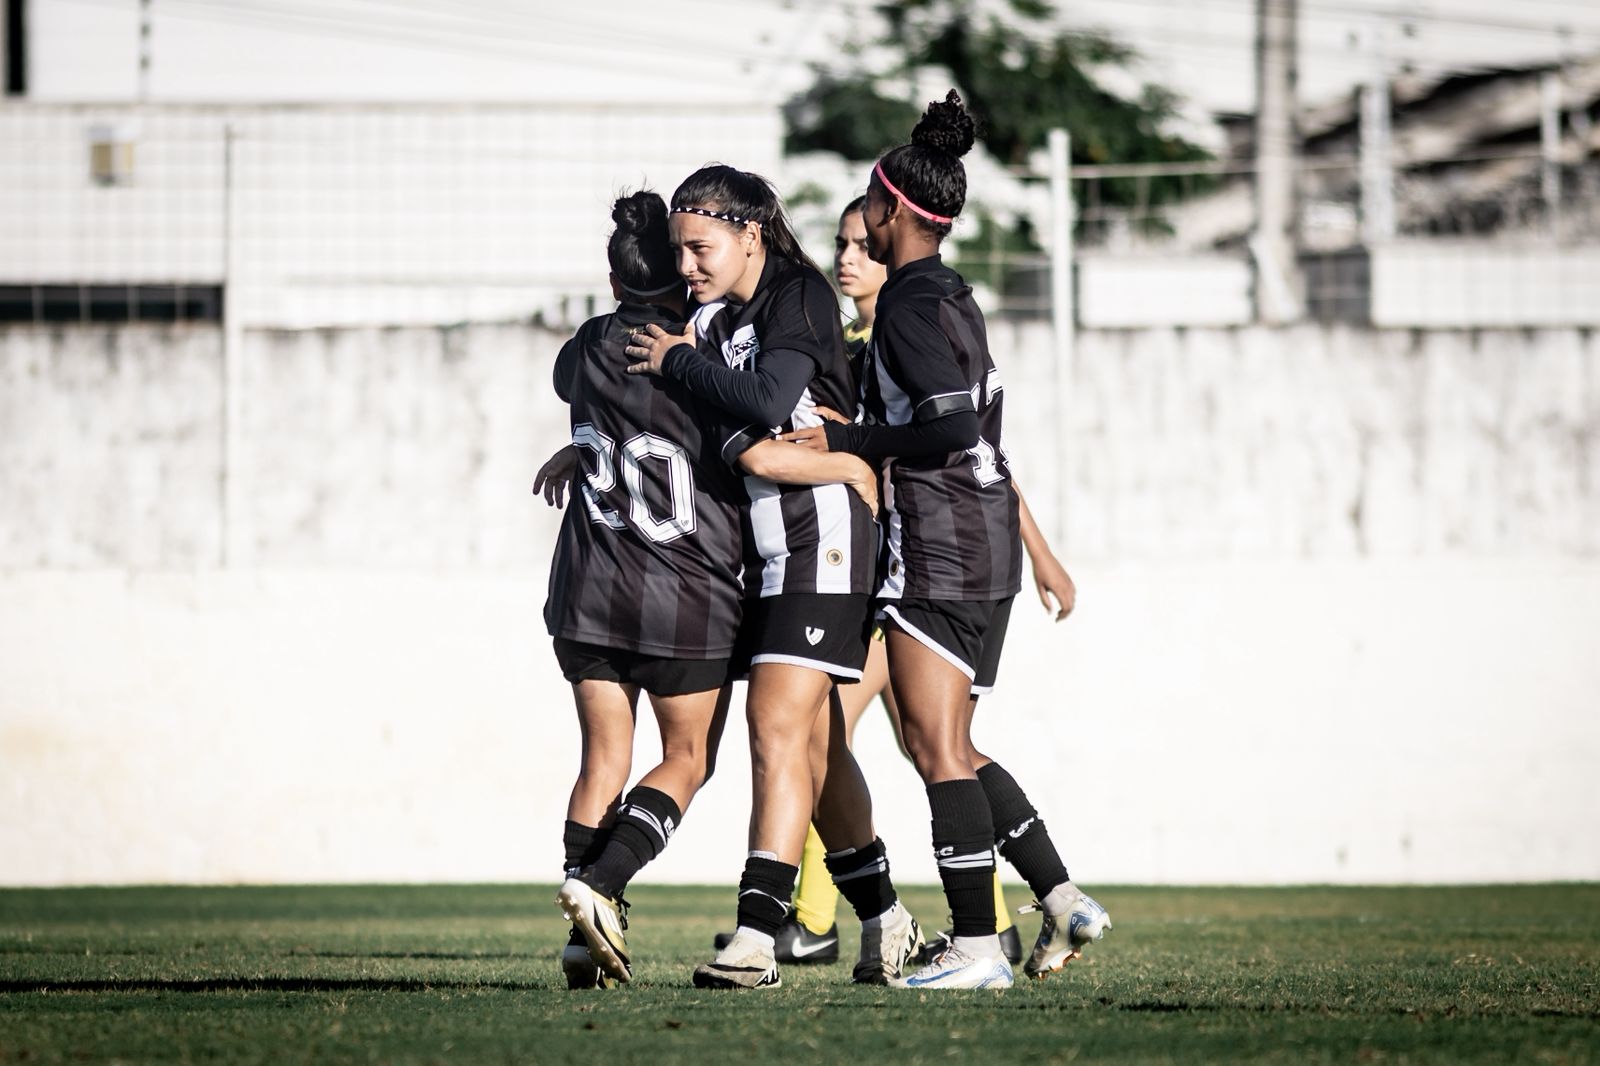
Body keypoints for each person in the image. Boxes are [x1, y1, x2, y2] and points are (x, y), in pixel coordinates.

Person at [783, 92, 1111, 990]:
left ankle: (974, 947)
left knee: (933, 748)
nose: (858, 232)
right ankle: (1055, 896)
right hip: (976, 547)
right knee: (951, 745)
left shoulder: (910, 309)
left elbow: (953, 428)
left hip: (944, 548)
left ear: (891, 209)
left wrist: (849, 440)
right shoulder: (948, 294)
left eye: (866, 210)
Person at [720, 196, 1081, 968]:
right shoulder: (881, 331)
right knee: (917, 744)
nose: (849, 258)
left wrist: (1042, 550)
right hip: (924, 562)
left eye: (863, 242)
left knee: (861, 739)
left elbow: (955, 443)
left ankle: (850, 921)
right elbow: (978, 450)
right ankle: (1049, 898)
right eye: (841, 245)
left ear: (894, 242)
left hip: (902, 564)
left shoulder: (896, 333)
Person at [625, 165, 923, 989]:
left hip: (824, 533)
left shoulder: (797, 295)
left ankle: (758, 938)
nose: (687, 266)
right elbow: (725, 429)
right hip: (759, 549)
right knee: (816, 745)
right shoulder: (710, 314)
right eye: (680, 251)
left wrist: (685, 364)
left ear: (749, 234)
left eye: (701, 247)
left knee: (773, 724)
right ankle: (889, 918)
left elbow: (768, 396)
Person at [540, 190, 745, 990]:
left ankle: (580, 936)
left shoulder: (587, 345)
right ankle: (600, 885)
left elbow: (577, 391)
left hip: (589, 588)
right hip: (682, 594)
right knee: (688, 758)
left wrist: (580, 452)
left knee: (603, 758)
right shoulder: (702, 352)